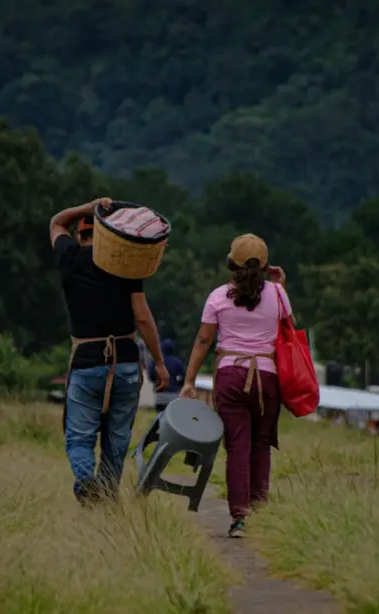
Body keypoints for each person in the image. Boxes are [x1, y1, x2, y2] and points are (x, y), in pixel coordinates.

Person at [49, 196, 169, 505]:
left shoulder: (70, 258)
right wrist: (159, 362)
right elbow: (143, 317)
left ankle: (87, 481)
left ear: (80, 235)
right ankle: (105, 497)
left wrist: (86, 207)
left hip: (87, 361)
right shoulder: (126, 265)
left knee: (79, 438)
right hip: (126, 362)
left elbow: (56, 222)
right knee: (117, 439)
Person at [180, 233, 289, 538]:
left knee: (237, 447)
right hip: (267, 376)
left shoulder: (218, 296)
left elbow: (204, 340)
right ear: (265, 265)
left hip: (230, 376)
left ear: (232, 263)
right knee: (261, 445)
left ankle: (239, 519)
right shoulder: (278, 294)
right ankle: (261, 512)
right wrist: (281, 286)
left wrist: (189, 380)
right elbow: (286, 330)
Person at [149, 338, 186, 411]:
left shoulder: (155, 361)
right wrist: (178, 385)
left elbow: (150, 375)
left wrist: (157, 382)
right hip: (173, 395)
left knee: (160, 414)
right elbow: (182, 379)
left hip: (159, 394)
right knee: (171, 415)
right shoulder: (178, 362)